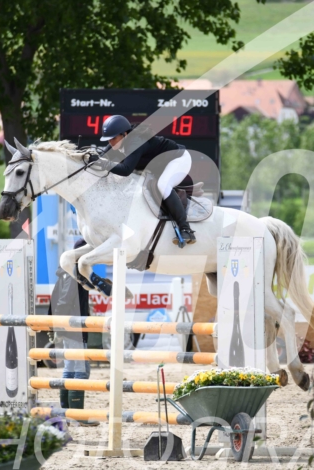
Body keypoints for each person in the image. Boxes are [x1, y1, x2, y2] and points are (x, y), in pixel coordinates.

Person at [96, 115, 196, 246]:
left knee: (163, 185)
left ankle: (185, 229)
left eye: (113, 138)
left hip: (179, 160)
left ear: (124, 134)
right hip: (160, 165)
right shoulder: (118, 141)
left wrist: (103, 163)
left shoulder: (136, 142)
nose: (111, 142)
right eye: (108, 139)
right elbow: (100, 157)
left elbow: (126, 170)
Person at [47, 238, 97, 425]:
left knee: (69, 368)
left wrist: (55, 324)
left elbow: (56, 298)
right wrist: (60, 325)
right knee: (81, 369)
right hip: (73, 327)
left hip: (69, 326)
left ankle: (66, 413)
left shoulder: (65, 272)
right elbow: (64, 300)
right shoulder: (74, 273)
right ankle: (77, 415)